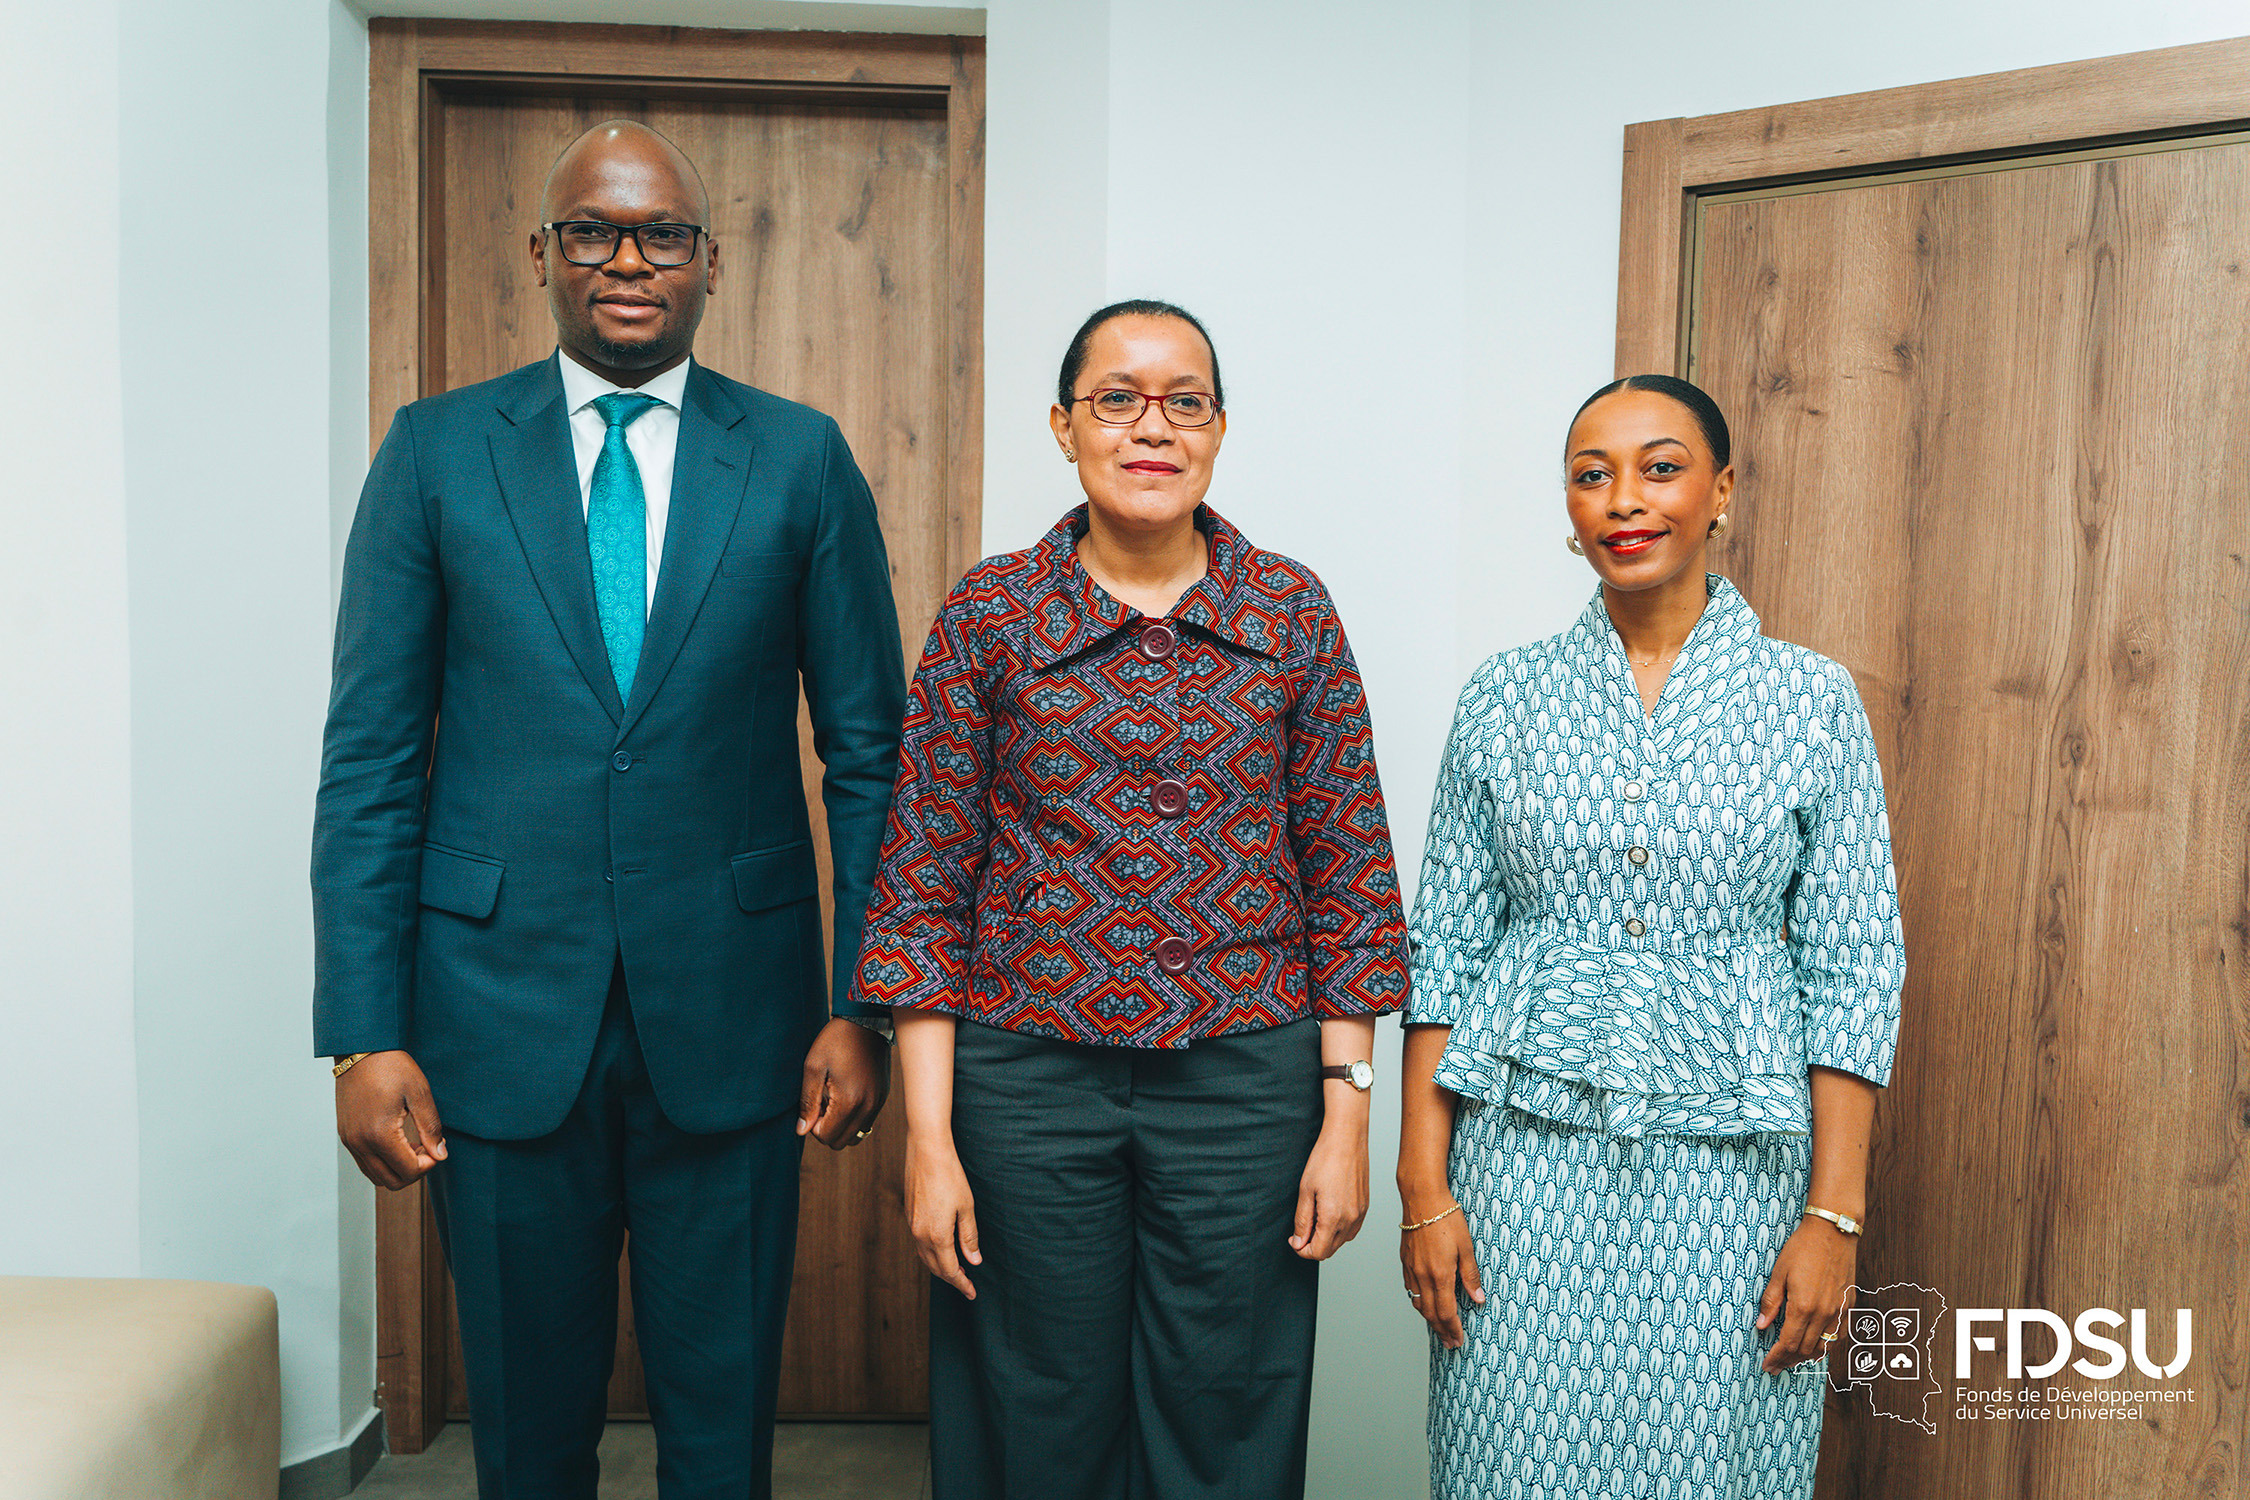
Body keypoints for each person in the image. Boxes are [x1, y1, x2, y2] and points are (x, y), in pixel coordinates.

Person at [312, 120, 905, 1499]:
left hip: (741, 1024)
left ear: (711, 263)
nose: (628, 262)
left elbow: (871, 756)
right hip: (493, 1020)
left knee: (722, 1435)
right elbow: (371, 760)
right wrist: (361, 1034)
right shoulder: (436, 454)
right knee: (526, 1441)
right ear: (542, 254)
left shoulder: (801, 458)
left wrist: (862, 1005)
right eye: (593, 231)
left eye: (662, 236)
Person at [849, 300, 1411, 1499]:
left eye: (1184, 402)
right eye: (1117, 400)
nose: (1152, 428)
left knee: (1227, 1409)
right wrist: (931, 1143)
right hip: (1026, 1086)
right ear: (1064, 427)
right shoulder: (991, 614)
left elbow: (1351, 879)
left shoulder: (1291, 613)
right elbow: (922, 886)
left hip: (1247, 1087)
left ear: (1219, 429)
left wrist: (1346, 1119)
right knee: (1038, 1408)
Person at [1397, 375, 1905, 1499]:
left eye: (1661, 468)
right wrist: (1423, 1189)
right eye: (1593, 475)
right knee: (1507, 1459)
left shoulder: (1810, 701)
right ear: (1569, 508)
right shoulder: (1504, 698)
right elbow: (1445, 954)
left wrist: (1833, 1218)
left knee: (1712, 1463)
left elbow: (1855, 966)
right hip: (1520, 1173)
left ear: (1720, 492)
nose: (1625, 498)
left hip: (1738, 1182)